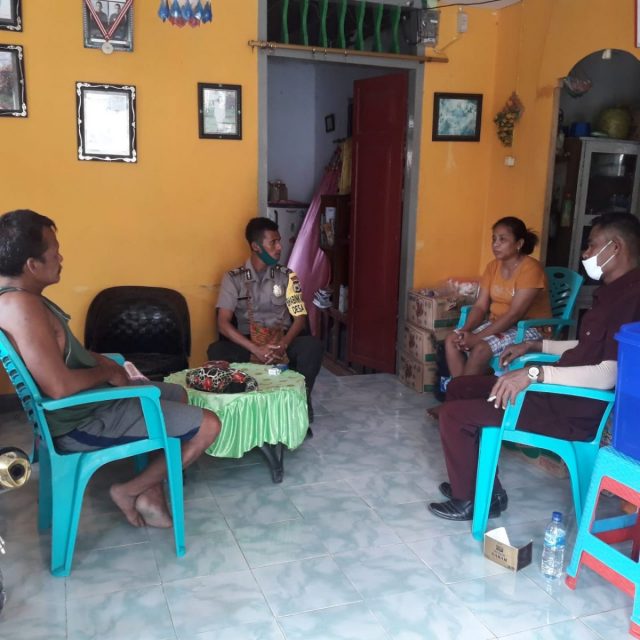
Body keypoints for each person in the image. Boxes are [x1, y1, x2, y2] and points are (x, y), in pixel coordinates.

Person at [0, 209, 221, 529]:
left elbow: (59, 356)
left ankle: (151, 490)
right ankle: (130, 490)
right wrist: (108, 373)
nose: (61, 257)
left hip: (82, 406)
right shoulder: (22, 307)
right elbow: (58, 387)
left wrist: (105, 363)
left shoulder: (20, 299)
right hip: (80, 419)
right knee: (209, 426)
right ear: (32, 265)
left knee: (176, 393)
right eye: (55, 252)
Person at [429, 212, 640, 521]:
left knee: (454, 414)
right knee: (461, 387)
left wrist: (534, 373)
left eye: (592, 245)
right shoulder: (612, 292)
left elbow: (609, 373)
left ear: (616, 247)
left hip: (570, 409)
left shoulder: (632, 299)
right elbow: (585, 347)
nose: (585, 253)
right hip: (554, 394)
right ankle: (485, 490)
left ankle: (468, 499)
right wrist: (535, 347)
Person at [207, 217, 323, 421]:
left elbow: (299, 318)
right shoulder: (233, 279)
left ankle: (300, 402)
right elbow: (223, 323)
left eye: (279, 241)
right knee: (218, 350)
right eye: (273, 242)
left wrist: (283, 345)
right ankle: (240, 409)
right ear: (256, 246)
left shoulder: (288, 276)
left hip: (282, 340)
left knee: (312, 347)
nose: (279, 247)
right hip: (249, 342)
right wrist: (256, 349)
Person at [444, 216, 551, 380]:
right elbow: (480, 306)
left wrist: (476, 338)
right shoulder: (492, 267)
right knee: (453, 340)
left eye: (502, 239)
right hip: (498, 324)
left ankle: (461, 392)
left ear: (519, 243)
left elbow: (514, 314)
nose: (495, 244)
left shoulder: (531, 269)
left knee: (481, 348)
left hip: (529, 328)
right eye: (494, 239)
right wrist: (465, 331)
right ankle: (461, 391)